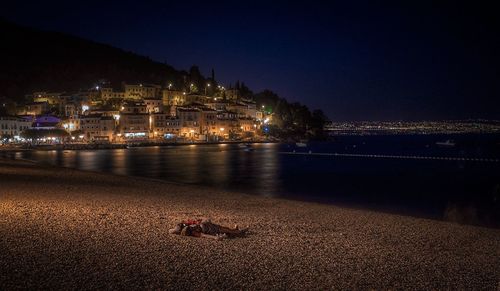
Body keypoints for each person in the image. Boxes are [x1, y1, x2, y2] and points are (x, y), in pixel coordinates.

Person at [169, 219, 248, 240]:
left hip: (211, 226)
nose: (191, 226)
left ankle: (235, 230)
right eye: (189, 228)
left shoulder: (190, 226)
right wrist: (215, 238)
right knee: (227, 230)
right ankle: (240, 231)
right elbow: (204, 235)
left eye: (188, 226)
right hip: (213, 230)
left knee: (226, 229)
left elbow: (171, 231)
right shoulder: (194, 232)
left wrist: (177, 229)